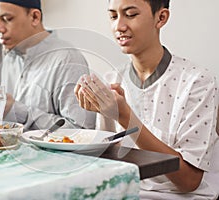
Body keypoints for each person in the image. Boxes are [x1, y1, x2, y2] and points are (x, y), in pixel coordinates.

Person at [74, 0, 219, 199]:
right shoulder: (112, 80)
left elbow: (189, 181)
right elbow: (107, 164)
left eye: (131, 14)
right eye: (113, 16)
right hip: (122, 191)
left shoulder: (197, 82)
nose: (119, 26)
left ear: (161, 18)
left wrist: (126, 117)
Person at [0, 0, 96, 131]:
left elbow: (81, 132)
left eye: (7, 19)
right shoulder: (10, 57)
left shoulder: (67, 59)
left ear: (35, 17)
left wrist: (16, 110)